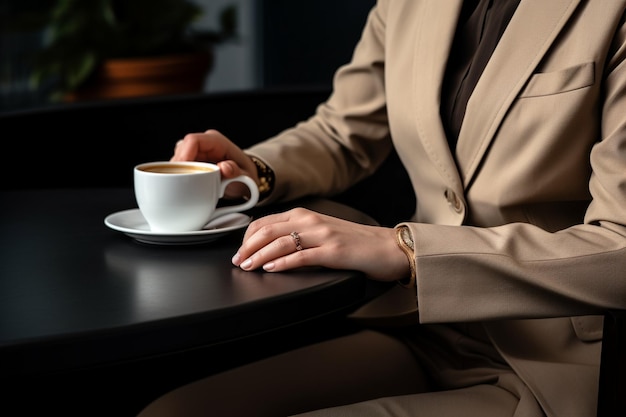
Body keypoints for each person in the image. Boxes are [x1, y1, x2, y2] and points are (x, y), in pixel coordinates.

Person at [137, 1, 626, 416]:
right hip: (423, 328)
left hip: (553, 365)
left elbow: (619, 247)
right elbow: (341, 132)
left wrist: (406, 249)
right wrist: (255, 170)